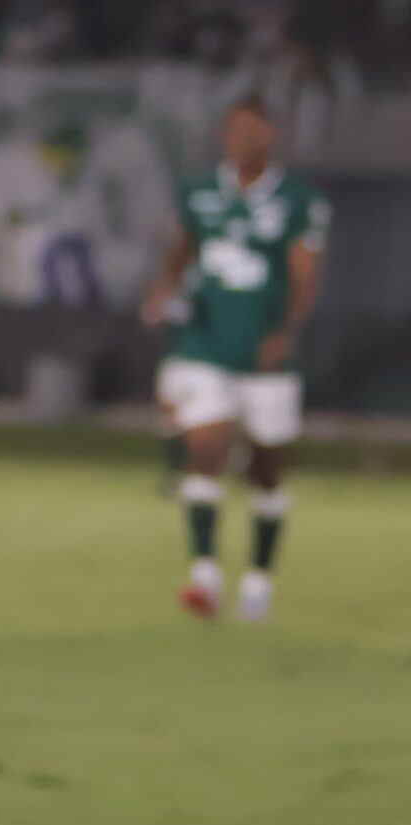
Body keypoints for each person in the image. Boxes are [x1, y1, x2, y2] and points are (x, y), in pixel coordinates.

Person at [142, 97, 328, 625]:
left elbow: (304, 275)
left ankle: (258, 580)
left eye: (253, 129)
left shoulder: (297, 200)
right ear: (224, 136)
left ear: (270, 135)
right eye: (235, 129)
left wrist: (284, 330)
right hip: (205, 343)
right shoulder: (199, 191)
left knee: (267, 472)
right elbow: (182, 249)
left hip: (264, 356)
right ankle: (204, 575)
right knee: (205, 449)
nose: (243, 139)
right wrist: (164, 288)